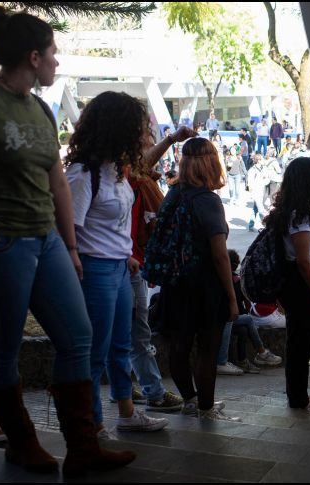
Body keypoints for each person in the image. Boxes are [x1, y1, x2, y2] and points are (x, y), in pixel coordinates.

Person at [0, 8, 136, 477]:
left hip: (46, 239)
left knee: (78, 337)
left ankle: (83, 447)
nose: (57, 62)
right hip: (1, 242)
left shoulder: (41, 109)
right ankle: (23, 441)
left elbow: (56, 184)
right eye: (52, 53)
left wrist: (70, 247)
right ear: (33, 57)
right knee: (2, 351)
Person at [66, 92, 170, 436]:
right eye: (140, 128)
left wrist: (127, 255)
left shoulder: (118, 172)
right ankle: (91, 424)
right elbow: (69, 230)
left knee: (121, 345)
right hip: (94, 271)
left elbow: (116, 222)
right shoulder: (84, 175)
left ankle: (127, 412)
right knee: (95, 350)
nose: (145, 134)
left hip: (120, 268)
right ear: (119, 129)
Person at [157, 137, 240, 421]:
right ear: (211, 162)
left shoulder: (173, 193)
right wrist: (231, 297)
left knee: (179, 346)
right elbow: (220, 255)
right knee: (207, 348)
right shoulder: (208, 200)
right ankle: (206, 407)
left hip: (175, 282)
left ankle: (190, 400)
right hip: (205, 285)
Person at [128, 123, 196, 414]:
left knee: (130, 331)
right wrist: (170, 139)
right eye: (146, 136)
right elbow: (141, 165)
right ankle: (150, 392)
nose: (149, 141)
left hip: (129, 262)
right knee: (134, 331)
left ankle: (132, 392)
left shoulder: (131, 178)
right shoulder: (123, 173)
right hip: (122, 263)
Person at [265, 157, 310, 410]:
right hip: (303, 282)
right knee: (302, 343)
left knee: (298, 342)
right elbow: (303, 259)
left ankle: (298, 395)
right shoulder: (301, 215)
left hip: (293, 281)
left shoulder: (287, 211)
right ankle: (299, 398)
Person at [217, 250, 282, 376]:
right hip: (226, 317)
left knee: (243, 330)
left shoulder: (234, 280)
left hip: (232, 316)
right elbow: (247, 304)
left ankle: (242, 361)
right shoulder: (232, 281)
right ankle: (261, 352)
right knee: (247, 320)